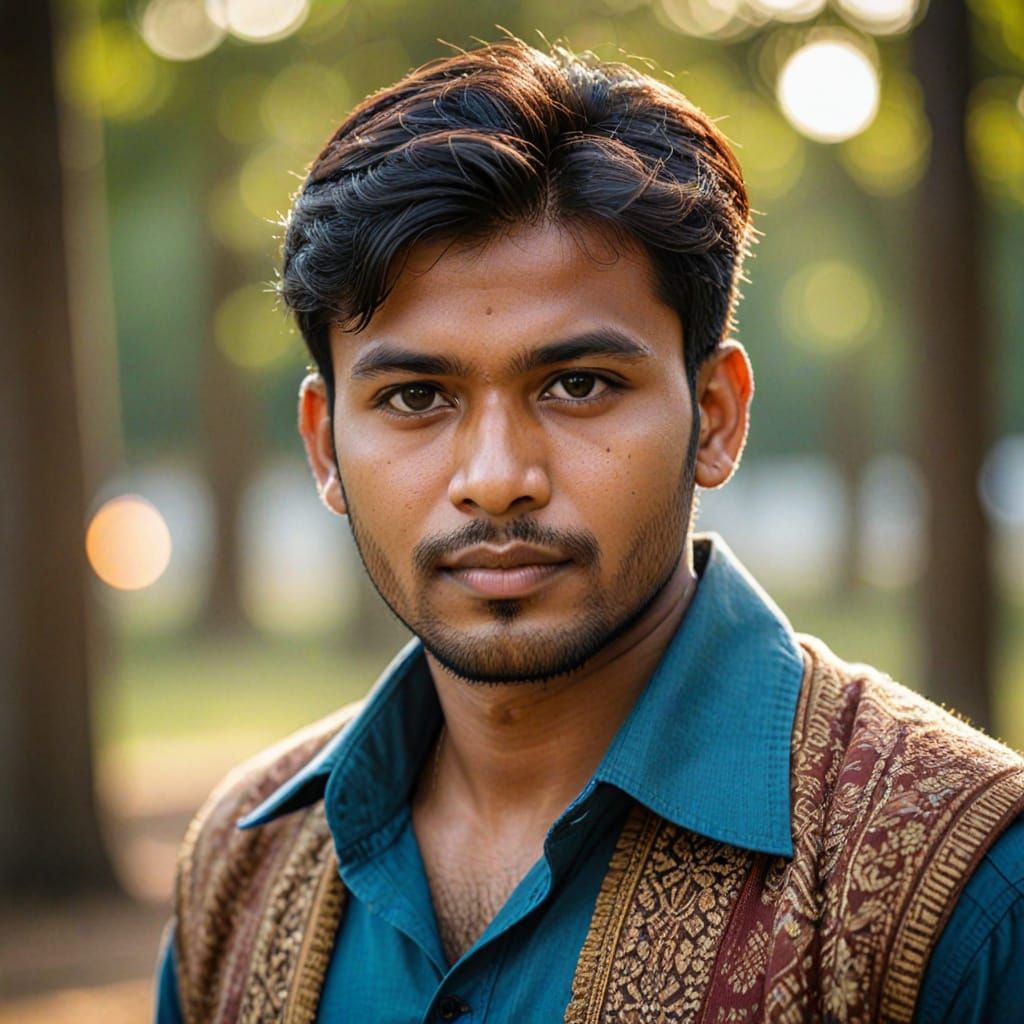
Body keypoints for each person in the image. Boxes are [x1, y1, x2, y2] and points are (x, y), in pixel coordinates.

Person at [155, 39, 1024, 1023]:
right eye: (415, 396)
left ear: (717, 415)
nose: (494, 481)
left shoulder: (969, 888)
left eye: (577, 385)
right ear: (324, 447)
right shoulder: (240, 867)